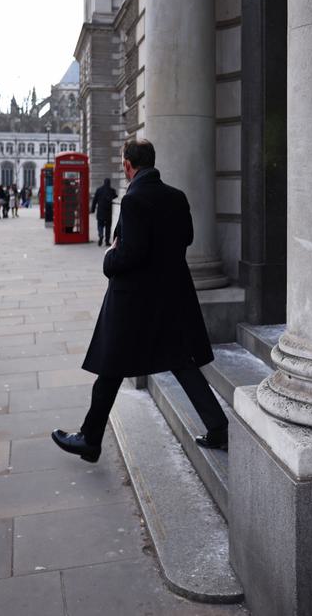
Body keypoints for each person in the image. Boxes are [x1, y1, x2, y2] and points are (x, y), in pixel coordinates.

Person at [52, 139, 228, 463]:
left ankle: (90, 439)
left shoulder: (133, 201)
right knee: (181, 362)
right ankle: (218, 426)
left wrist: (109, 257)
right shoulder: (176, 197)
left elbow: (131, 253)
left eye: (123, 162)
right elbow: (186, 238)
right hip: (171, 294)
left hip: (134, 301)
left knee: (110, 368)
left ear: (129, 165)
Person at [90, 177, 117, 247]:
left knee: (100, 225)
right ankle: (107, 241)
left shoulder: (99, 190)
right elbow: (115, 197)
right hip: (108, 212)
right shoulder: (112, 190)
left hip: (100, 211)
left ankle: (101, 234)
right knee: (108, 227)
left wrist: (92, 210)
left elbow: (94, 200)